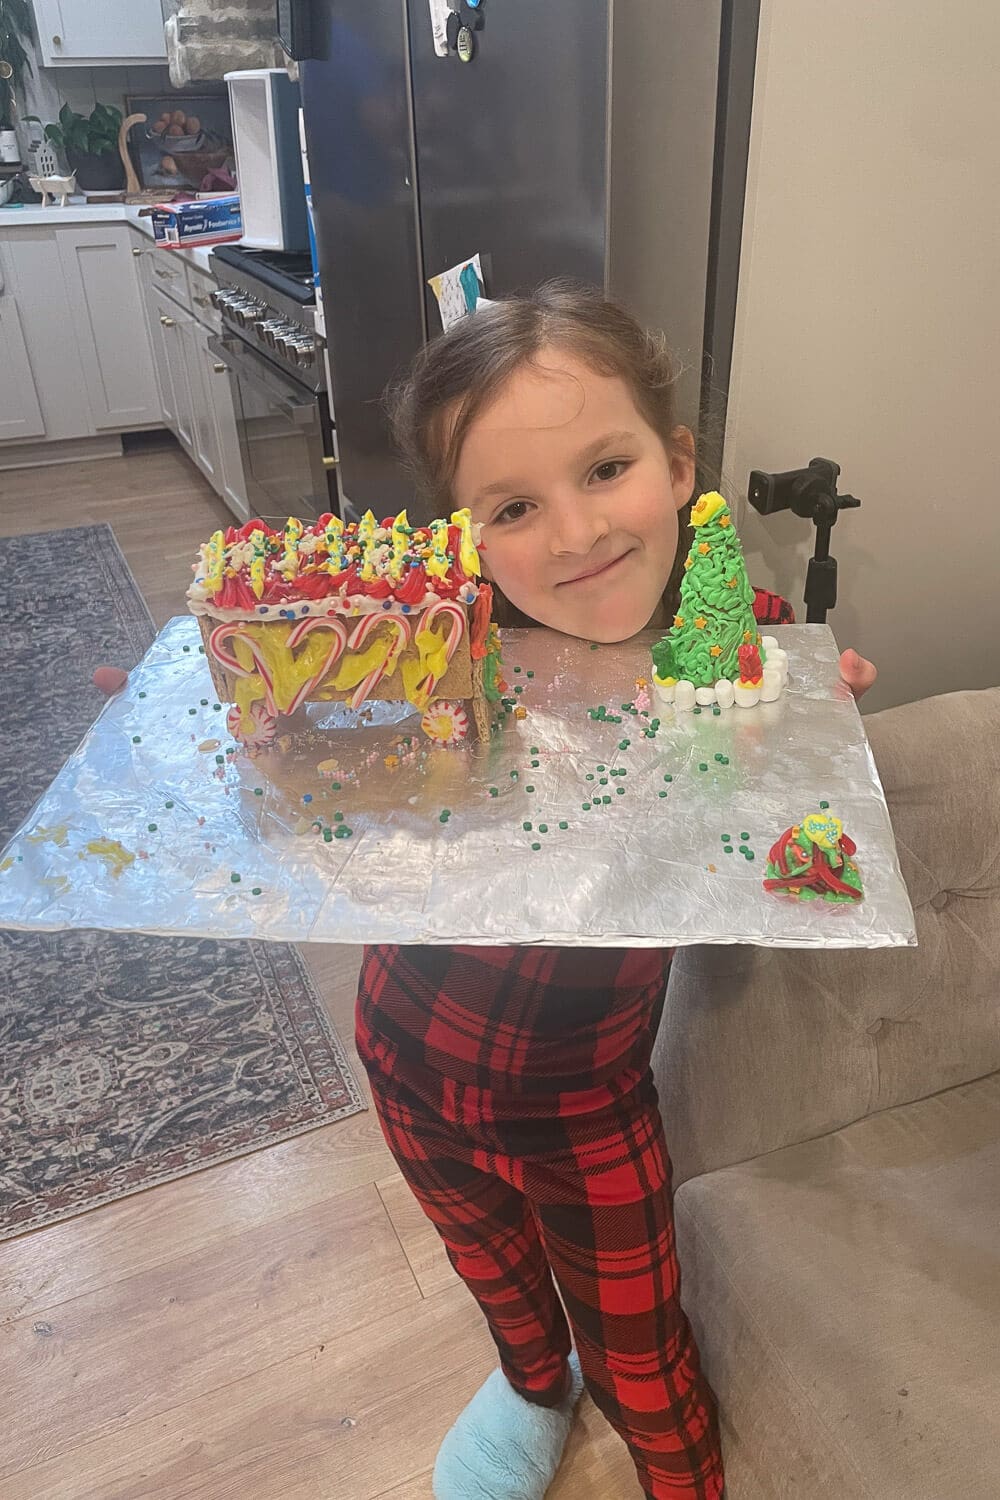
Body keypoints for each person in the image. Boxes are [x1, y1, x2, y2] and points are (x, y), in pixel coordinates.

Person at [355, 281, 876, 1500]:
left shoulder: (733, 640)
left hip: (584, 1100)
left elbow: (781, 832)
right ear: (463, 536)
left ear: (676, 457)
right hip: (404, 1050)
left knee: (642, 1360)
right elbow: (332, 766)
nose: (577, 533)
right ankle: (533, 1390)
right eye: (514, 506)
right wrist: (249, 722)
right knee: (497, 1284)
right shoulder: (443, 638)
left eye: (605, 468)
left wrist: (815, 726)